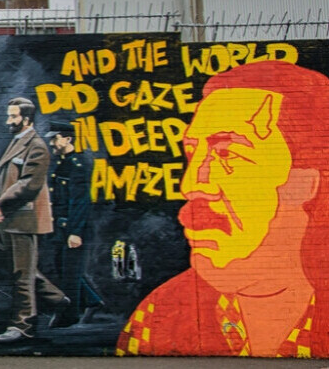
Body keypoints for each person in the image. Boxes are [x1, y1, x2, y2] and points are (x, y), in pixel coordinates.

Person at [117, 61, 329, 357]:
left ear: (306, 183)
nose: (191, 185)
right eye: (192, 153)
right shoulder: (161, 314)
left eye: (227, 153)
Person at [0, 97, 68, 344]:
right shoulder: (19, 142)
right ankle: (59, 302)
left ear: (27, 118)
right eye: (9, 115)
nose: (8, 121)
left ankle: (23, 326)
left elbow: (29, 184)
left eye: (13, 116)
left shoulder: (37, 146)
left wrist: (1, 205)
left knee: (22, 274)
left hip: (24, 218)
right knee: (25, 270)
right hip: (12, 218)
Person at [43, 120, 104, 328]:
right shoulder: (62, 163)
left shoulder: (78, 165)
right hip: (62, 227)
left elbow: (80, 202)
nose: (52, 143)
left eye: (55, 138)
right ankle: (92, 301)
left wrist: (75, 232)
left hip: (74, 227)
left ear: (68, 139)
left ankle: (69, 315)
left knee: (70, 273)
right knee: (64, 268)